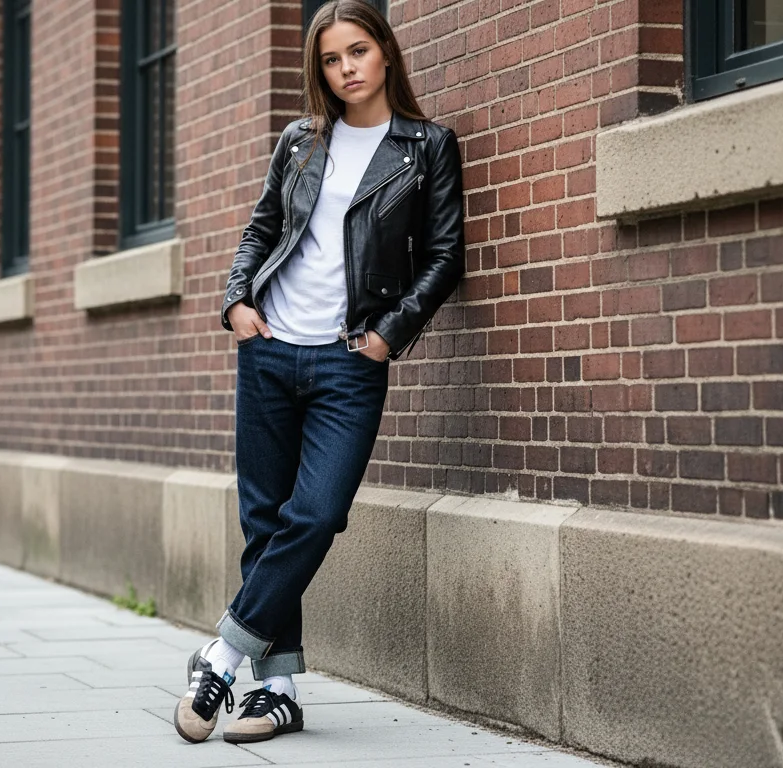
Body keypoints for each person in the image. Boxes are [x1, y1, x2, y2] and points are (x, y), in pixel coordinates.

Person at [174, 0, 465, 745]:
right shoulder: (300, 142)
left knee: (319, 512)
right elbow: (263, 227)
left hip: (348, 360)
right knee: (264, 518)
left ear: (387, 53)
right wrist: (236, 301)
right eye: (332, 60)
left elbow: (443, 257)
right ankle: (276, 690)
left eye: (358, 52)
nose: (347, 70)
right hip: (271, 348)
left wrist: (390, 334)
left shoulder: (426, 146)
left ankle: (222, 653)